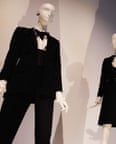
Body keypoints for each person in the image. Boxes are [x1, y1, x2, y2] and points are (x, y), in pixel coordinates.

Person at [0, 3, 68, 144]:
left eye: (52, 12)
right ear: (38, 12)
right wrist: (3, 79)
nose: (49, 13)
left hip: (45, 88)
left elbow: (57, 69)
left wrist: (59, 92)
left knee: (43, 137)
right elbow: (12, 57)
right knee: (4, 129)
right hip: (21, 83)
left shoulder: (55, 43)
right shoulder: (21, 33)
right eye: (46, 9)